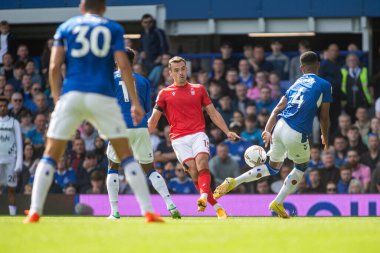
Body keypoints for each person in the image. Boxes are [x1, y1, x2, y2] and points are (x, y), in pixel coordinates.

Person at [24, 0, 162, 223]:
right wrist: (136, 103)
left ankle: (34, 211)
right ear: (103, 9)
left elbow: (53, 67)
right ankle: (148, 211)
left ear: (82, 8)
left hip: (72, 93)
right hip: (102, 95)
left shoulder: (66, 27)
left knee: (51, 153)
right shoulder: (113, 28)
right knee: (125, 155)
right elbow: (125, 66)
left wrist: (57, 99)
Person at [213, 51, 331, 218]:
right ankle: (278, 202)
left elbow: (277, 109)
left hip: (279, 127)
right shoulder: (324, 85)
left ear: (301, 68)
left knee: (272, 168)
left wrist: (267, 130)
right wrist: (325, 135)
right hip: (296, 131)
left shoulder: (295, 84)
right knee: (301, 166)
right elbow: (324, 117)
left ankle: (234, 181)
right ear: (318, 65)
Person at [148, 56, 240, 219]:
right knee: (193, 172)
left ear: (187, 69)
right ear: (170, 73)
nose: (181, 73)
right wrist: (140, 137)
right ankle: (218, 207)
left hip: (198, 134)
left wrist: (227, 131)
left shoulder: (199, 89)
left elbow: (213, 113)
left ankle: (203, 197)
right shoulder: (164, 94)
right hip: (178, 139)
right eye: (176, 70)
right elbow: (154, 120)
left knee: (202, 163)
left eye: (183, 69)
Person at [106, 48, 180, 219]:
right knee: (150, 169)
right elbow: (147, 109)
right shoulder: (143, 81)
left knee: (113, 167)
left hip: (119, 127)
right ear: (133, 61)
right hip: (140, 126)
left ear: (118, 61)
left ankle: (114, 212)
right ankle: (170, 204)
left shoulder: (109, 79)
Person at [0, 96, 23, 215]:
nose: (2, 108)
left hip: (10, 161)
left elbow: (19, 143)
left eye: (4, 106)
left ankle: (12, 214)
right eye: (0, 106)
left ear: (7, 107)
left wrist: (19, 162)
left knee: (11, 188)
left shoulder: (14, 123)